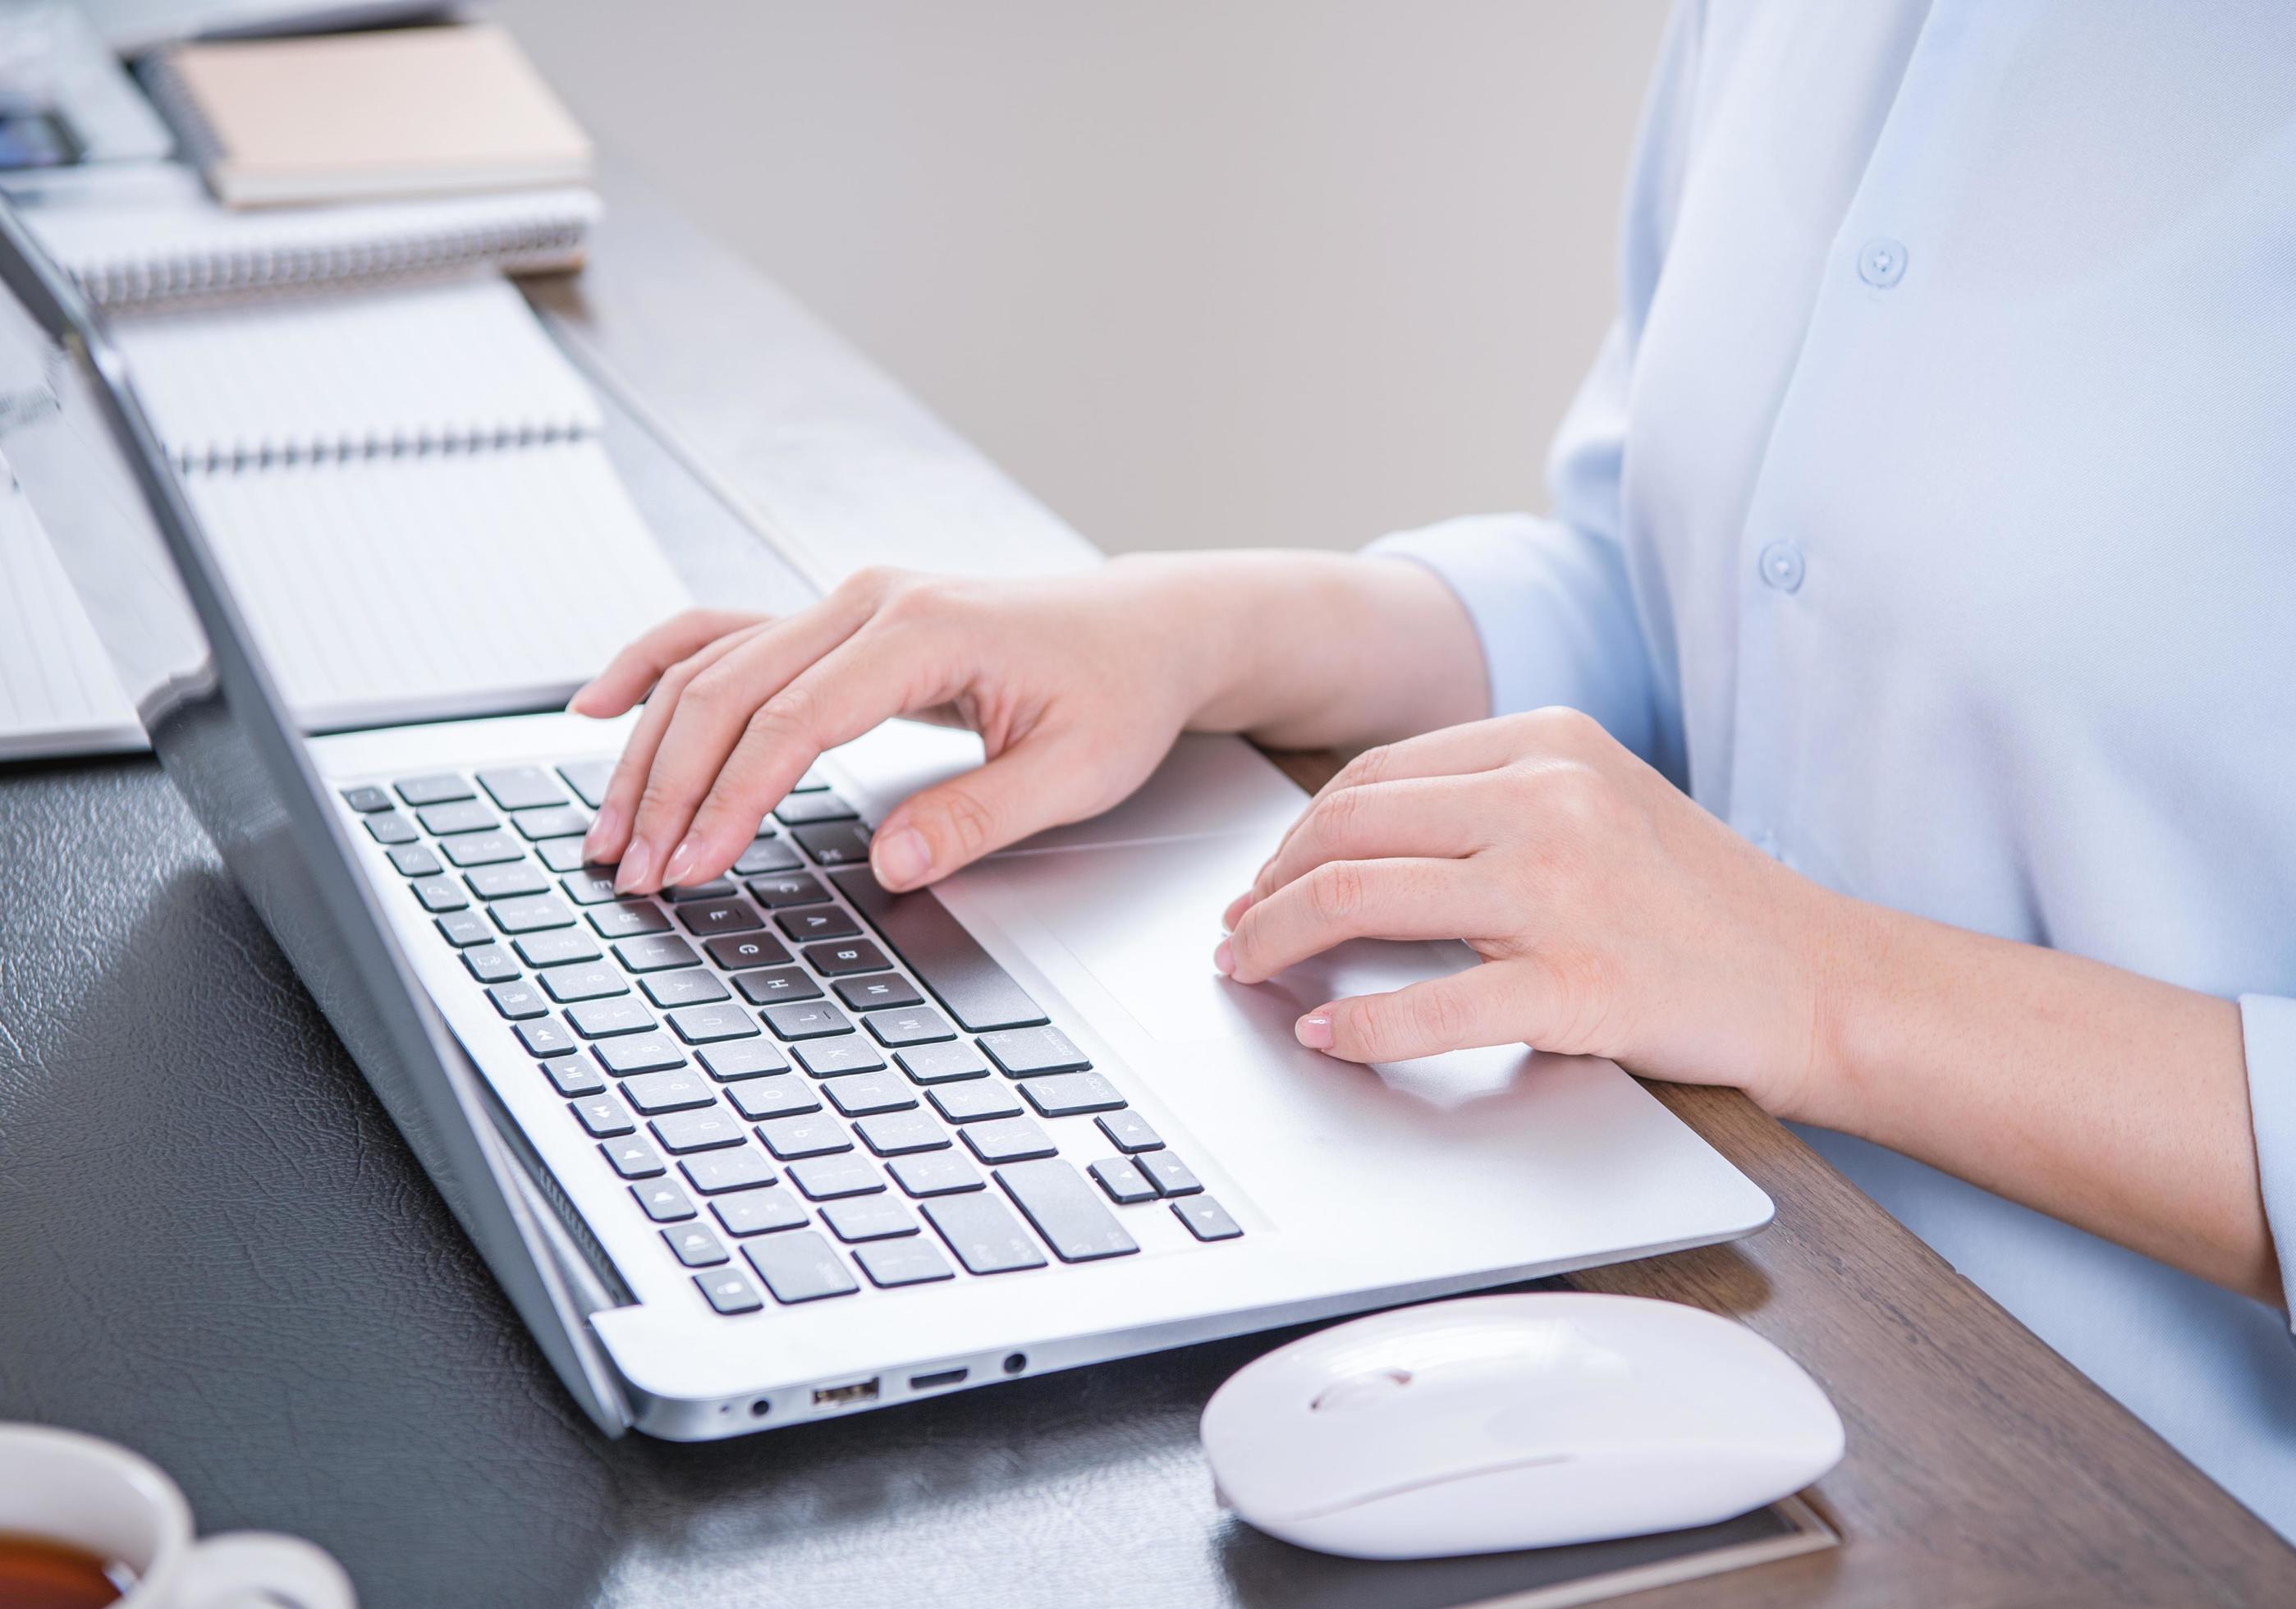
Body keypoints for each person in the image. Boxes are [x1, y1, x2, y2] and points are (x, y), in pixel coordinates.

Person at [574, 0, 2296, 1536]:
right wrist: (1185, 629)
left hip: (2115, 1481)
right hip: (1690, 1258)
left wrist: (1817, 982)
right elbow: (1676, 597)